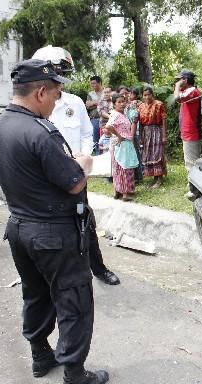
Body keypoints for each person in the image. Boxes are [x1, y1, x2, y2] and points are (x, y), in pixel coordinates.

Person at [0, 59, 109, 384]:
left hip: (19, 228)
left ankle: (41, 355)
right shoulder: (40, 132)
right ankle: (75, 376)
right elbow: (72, 182)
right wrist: (83, 162)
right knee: (74, 299)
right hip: (53, 233)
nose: (57, 101)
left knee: (36, 293)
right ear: (40, 92)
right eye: (55, 93)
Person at [33, 45, 120, 287]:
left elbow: (85, 133)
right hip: (46, 180)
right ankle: (46, 275)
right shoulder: (35, 106)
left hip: (75, 175)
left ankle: (98, 269)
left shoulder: (75, 103)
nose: (61, 80)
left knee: (85, 222)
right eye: (57, 73)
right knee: (49, 229)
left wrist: (82, 157)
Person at [105, 93, 137, 201]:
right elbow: (108, 127)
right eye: (119, 102)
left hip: (120, 143)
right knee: (123, 167)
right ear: (114, 104)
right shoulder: (116, 115)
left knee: (118, 168)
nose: (122, 104)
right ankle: (124, 194)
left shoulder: (121, 114)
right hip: (121, 143)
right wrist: (119, 136)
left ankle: (117, 192)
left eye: (123, 101)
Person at [133, 87, 167, 188]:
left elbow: (164, 120)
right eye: (145, 95)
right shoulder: (141, 107)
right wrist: (141, 137)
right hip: (146, 132)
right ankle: (154, 177)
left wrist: (164, 135)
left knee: (157, 154)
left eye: (148, 94)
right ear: (142, 96)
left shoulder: (159, 104)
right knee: (148, 154)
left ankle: (159, 178)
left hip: (156, 130)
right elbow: (139, 123)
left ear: (152, 94)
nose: (147, 97)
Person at [173, 69, 202, 172]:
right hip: (188, 132)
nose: (177, 82)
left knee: (192, 165)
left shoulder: (192, 91)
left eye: (179, 80)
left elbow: (177, 98)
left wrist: (177, 86)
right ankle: (193, 186)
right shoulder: (189, 91)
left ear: (185, 80)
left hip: (191, 132)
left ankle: (193, 188)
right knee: (191, 162)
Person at [125, 88, 143, 181]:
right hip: (124, 134)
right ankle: (130, 176)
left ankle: (137, 176)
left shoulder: (133, 105)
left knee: (135, 153)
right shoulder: (124, 105)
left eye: (127, 93)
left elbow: (134, 121)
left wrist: (131, 135)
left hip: (132, 133)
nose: (126, 96)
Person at [86, 76, 103, 154]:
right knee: (95, 140)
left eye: (94, 83)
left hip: (105, 120)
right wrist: (97, 103)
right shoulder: (90, 94)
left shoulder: (105, 92)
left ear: (99, 83)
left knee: (106, 138)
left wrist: (93, 103)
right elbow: (87, 106)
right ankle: (97, 155)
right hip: (94, 119)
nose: (92, 85)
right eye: (91, 83)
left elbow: (108, 104)